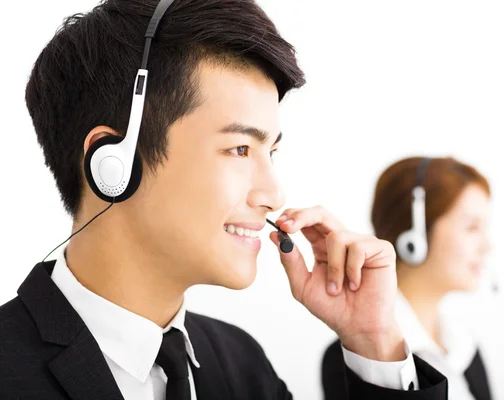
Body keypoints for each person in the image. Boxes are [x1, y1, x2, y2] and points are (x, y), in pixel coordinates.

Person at [0, 1, 448, 399]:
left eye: (270, 152)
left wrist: (375, 344)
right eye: (239, 149)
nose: (274, 194)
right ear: (113, 164)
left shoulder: (241, 364)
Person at [323, 156, 494, 400]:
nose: (487, 246)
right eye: (471, 227)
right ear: (416, 235)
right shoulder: (355, 360)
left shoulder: (465, 348)